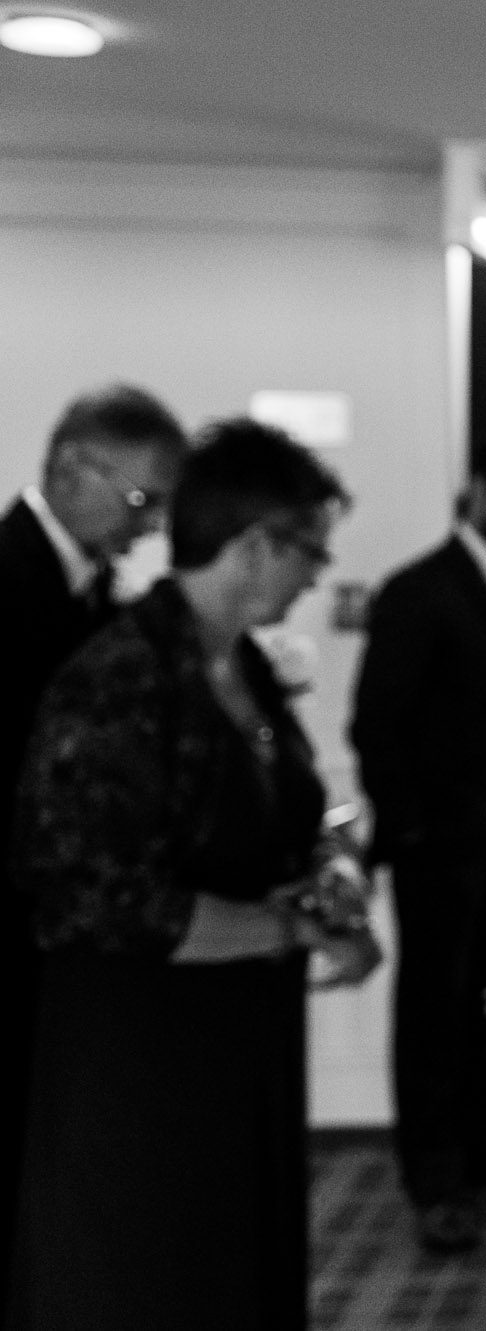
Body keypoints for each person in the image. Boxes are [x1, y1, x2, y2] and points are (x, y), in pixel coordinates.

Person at [9, 419, 377, 1330]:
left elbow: (280, 816)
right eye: (311, 551)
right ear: (255, 547)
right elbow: (97, 899)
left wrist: (331, 864)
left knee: (240, 1269)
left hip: (236, 1039)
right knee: (152, 1279)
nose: (319, 574)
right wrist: (293, 928)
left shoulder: (243, 662)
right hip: (137, 1060)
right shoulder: (120, 676)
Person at [350, 426, 486, 1252]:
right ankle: (433, 1179)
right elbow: (375, 725)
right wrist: (410, 833)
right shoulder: (418, 589)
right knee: (433, 1013)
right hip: (439, 847)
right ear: (477, 491)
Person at [0, 384, 184, 1309]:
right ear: (76, 470)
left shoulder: (88, 589)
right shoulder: (11, 574)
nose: (147, 531)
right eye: (142, 502)